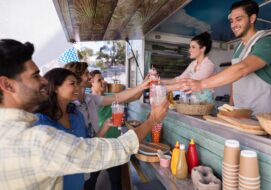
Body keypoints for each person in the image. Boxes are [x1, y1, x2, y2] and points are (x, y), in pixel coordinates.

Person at [0, 39, 168, 190]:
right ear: (7, 85)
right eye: (35, 76)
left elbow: (117, 100)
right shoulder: (38, 137)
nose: (44, 80)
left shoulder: (75, 112)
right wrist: (153, 119)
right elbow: (111, 150)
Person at [179, 0, 271, 115]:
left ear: (252, 19)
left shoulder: (268, 42)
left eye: (239, 19)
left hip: (265, 114)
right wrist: (231, 105)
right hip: (242, 113)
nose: (233, 25)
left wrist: (201, 84)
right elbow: (235, 80)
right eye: (231, 21)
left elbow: (242, 69)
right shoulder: (238, 48)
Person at [64, 62, 146, 190]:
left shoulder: (89, 99)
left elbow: (119, 97)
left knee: (113, 182)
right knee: (88, 184)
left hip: (101, 145)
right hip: (83, 156)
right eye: (87, 74)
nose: (90, 77)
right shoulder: (69, 107)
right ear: (76, 78)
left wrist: (144, 85)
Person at [33, 68, 113, 190]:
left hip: (78, 184)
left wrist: (105, 126)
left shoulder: (76, 115)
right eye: (72, 84)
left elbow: (87, 145)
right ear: (55, 87)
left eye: (77, 83)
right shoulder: (40, 122)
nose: (77, 87)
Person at [162, 32, 216, 103]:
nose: (189, 50)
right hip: (193, 103)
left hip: (205, 105)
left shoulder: (208, 65)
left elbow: (189, 84)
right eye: (190, 47)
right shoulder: (193, 64)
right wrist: (160, 81)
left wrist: (162, 88)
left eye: (193, 47)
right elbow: (180, 79)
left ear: (202, 49)